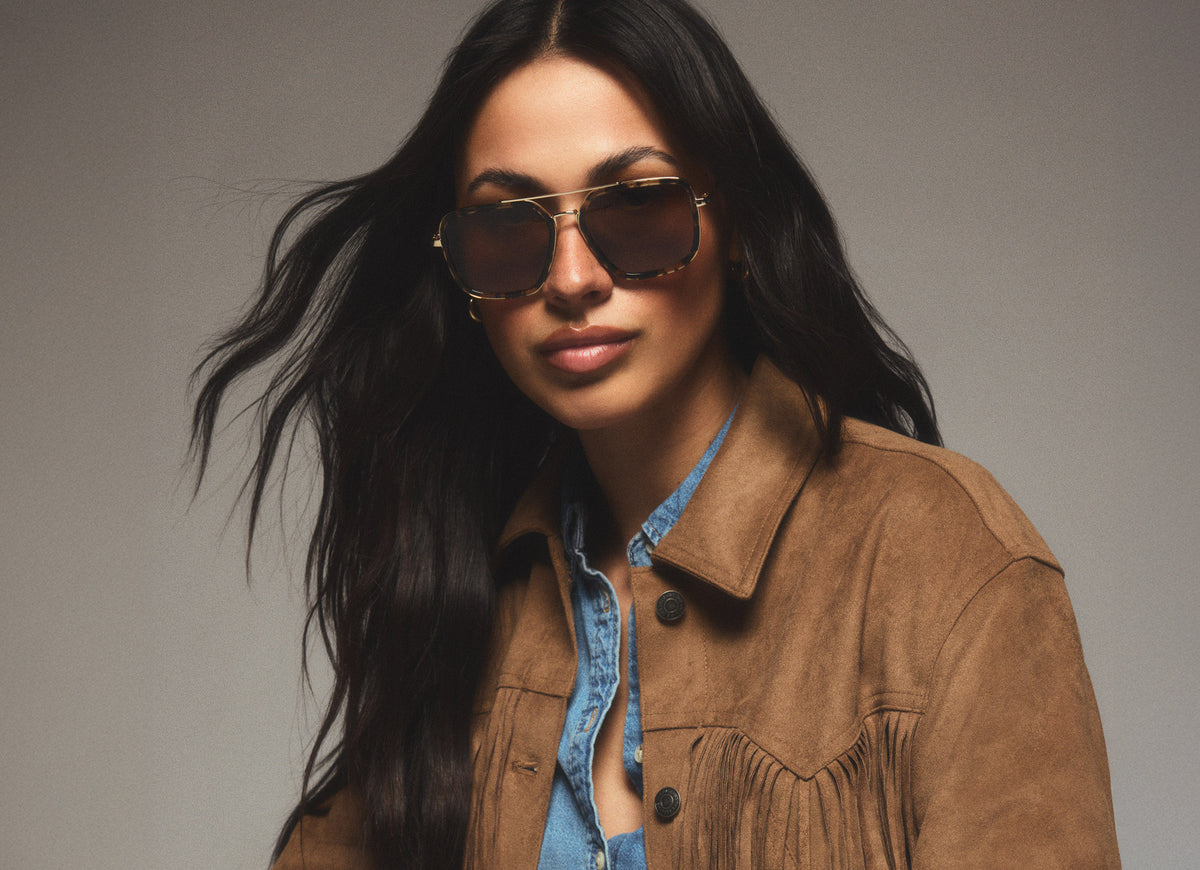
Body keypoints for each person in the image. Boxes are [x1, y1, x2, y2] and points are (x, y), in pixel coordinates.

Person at [192, 0, 1121, 867]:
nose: (571, 278)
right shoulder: (457, 593)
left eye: (636, 206)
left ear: (739, 226)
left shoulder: (944, 560)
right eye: (509, 230)